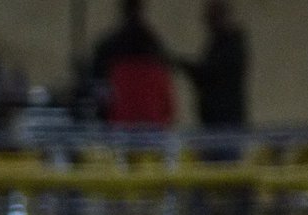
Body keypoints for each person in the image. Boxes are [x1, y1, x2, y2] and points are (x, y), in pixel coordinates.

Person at [90, 0, 175, 128]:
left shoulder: (109, 48)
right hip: (152, 126)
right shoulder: (154, 47)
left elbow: (100, 95)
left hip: (121, 126)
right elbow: (167, 106)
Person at [173, 0, 248, 130]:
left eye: (210, 19)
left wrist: (181, 64)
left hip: (223, 119)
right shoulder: (224, 44)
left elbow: (209, 75)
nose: (207, 25)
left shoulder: (227, 45)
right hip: (218, 119)